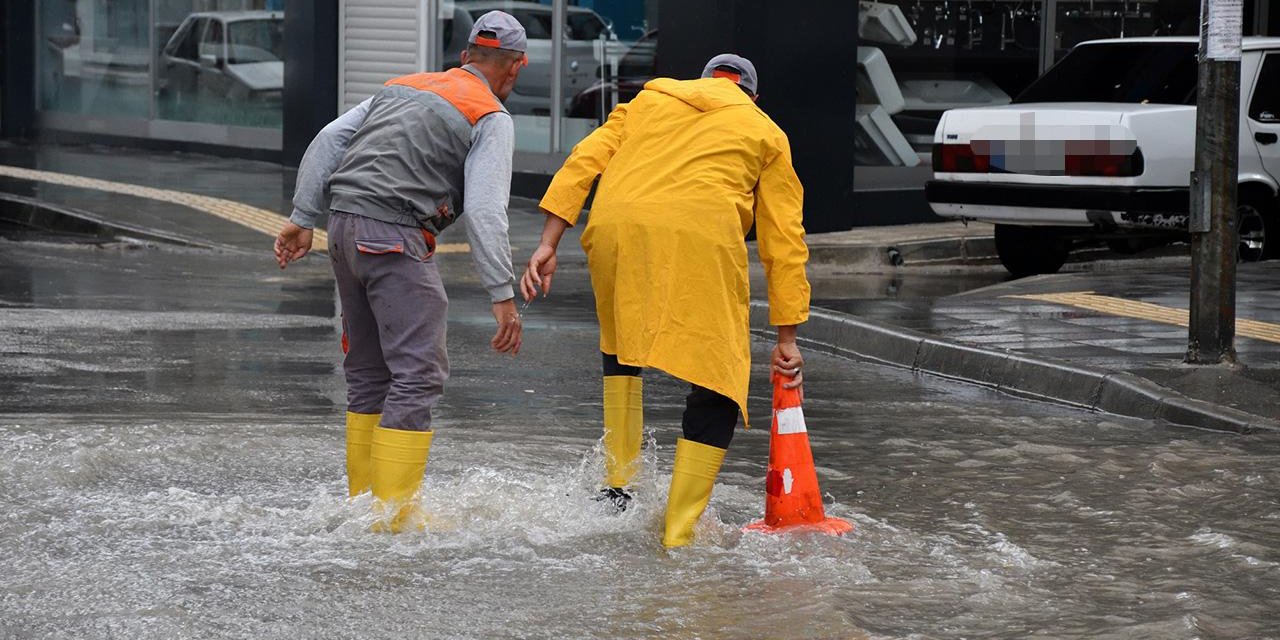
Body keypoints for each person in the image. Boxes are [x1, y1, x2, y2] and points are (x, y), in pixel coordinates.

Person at [519, 54, 810, 548]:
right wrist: (787, 337)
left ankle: (619, 489)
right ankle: (679, 530)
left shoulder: (647, 101)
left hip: (615, 228)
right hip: (701, 236)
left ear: (701, 85)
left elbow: (582, 163)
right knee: (719, 374)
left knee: (621, 344)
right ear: (752, 96)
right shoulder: (765, 132)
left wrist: (549, 241)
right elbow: (784, 239)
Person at [273, 11, 529, 533]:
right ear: (516, 68)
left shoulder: (401, 86)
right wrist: (502, 292)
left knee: (368, 373)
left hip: (343, 229)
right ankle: (391, 521)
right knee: (418, 374)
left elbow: (327, 139)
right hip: (393, 235)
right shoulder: (490, 115)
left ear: (464, 57)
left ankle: (361, 508)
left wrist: (303, 218)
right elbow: (483, 209)